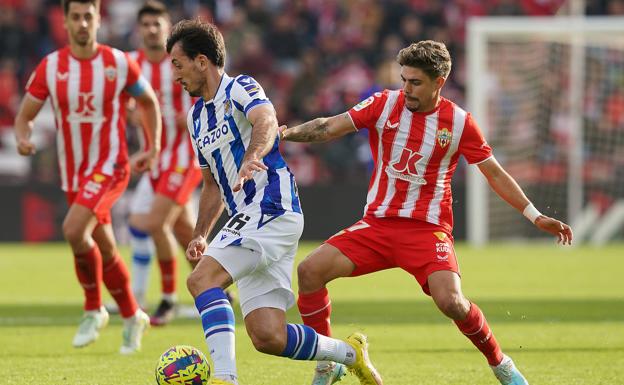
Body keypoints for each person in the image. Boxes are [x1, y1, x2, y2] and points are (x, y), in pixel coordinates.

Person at [280, 40, 573, 385]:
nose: (406, 89)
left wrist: (535, 215)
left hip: (427, 230)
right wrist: (285, 133)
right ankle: (329, 363)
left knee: (451, 302)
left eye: (415, 82)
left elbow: (494, 172)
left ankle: (502, 365)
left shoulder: (460, 123)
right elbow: (329, 126)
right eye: (404, 80)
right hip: (378, 225)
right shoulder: (383, 104)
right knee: (310, 271)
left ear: (439, 81)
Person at [167, 19, 383, 385]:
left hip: (271, 207)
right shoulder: (196, 117)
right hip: (249, 221)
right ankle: (349, 353)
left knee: (202, 280)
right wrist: (201, 233)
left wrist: (254, 155)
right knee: (268, 336)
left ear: (201, 60)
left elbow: (266, 120)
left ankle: (225, 378)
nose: (175, 74)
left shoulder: (240, 87)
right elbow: (211, 183)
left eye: (178, 63)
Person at [14, 0, 161, 354]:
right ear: (65, 21)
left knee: (73, 230)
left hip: (110, 166)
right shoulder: (51, 67)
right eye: (75, 17)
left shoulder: (117, 62)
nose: (82, 23)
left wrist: (151, 146)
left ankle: (94, 307)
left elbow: (148, 102)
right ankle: (132, 314)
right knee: (105, 247)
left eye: (88, 16)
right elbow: (25, 115)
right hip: (74, 174)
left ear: (98, 19)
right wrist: (22, 136)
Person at [123, 0, 203, 326]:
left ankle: (168, 299)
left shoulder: (182, 63)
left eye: (158, 24)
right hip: (155, 161)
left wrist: (194, 116)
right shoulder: (131, 64)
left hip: (186, 159)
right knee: (185, 233)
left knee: (155, 223)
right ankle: (216, 288)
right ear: (139, 29)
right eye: (146, 24)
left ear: (168, 28)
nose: (152, 30)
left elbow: (207, 95)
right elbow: (122, 103)